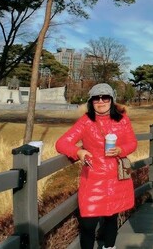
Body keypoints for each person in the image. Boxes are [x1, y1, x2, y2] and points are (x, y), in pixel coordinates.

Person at [56, 83, 137, 249]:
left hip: (116, 178)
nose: (101, 101)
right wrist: (78, 152)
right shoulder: (85, 121)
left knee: (111, 218)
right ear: (91, 101)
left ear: (111, 100)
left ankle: (109, 247)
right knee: (88, 224)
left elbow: (132, 143)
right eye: (96, 98)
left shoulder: (122, 120)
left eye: (105, 97)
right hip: (93, 178)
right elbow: (62, 143)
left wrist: (121, 149)